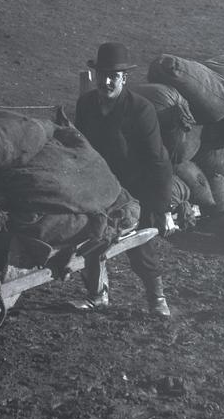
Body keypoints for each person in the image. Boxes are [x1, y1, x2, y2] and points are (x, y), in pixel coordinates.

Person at [71, 42, 174, 318]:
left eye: (113, 76)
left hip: (134, 188)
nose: (106, 81)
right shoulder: (86, 105)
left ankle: (157, 298)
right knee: (90, 237)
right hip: (97, 186)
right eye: (103, 74)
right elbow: (80, 148)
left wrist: (163, 209)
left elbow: (158, 160)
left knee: (139, 245)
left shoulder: (141, 110)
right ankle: (96, 295)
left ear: (124, 78)